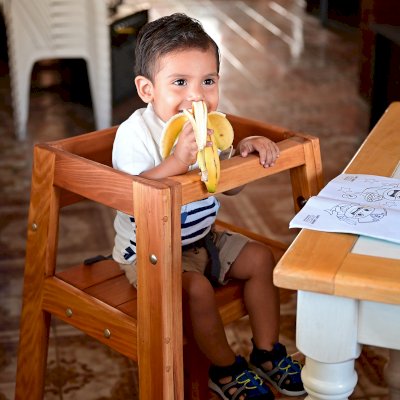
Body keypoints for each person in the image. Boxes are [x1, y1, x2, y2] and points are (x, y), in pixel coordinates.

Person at [112, 12, 304, 399]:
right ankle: (225, 368)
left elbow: (227, 190)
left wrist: (243, 156)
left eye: (208, 81)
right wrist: (177, 163)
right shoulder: (134, 134)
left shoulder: (212, 128)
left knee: (261, 259)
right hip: (150, 251)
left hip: (202, 237)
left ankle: (268, 352)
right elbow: (134, 194)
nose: (196, 95)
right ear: (147, 89)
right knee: (196, 290)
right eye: (179, 82)